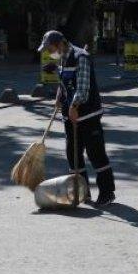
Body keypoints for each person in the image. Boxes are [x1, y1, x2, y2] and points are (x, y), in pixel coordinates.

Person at [38, 30, 116, 208]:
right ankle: (82, 190)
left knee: (95, 154)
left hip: (88, 114)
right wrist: (59, 95)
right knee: (73, 155)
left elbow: (81, 88)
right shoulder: (64, 58)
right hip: (70, 116)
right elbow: (66, 80)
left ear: (60, 44)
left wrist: (74, 106)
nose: (49, 52)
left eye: (50, 48)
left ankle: (106, 192)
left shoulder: (82, 57)